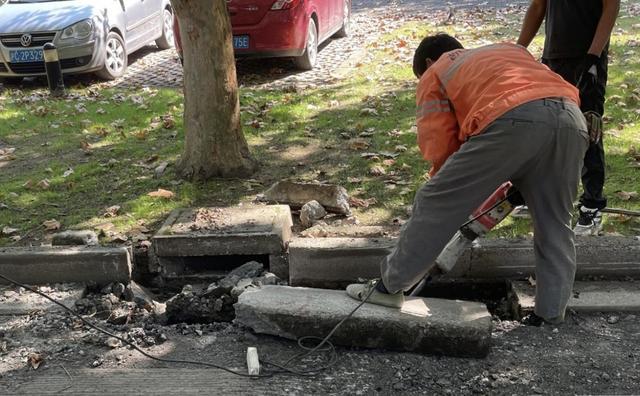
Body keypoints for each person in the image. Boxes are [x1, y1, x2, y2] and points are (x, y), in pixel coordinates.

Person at [346, 33, 589, 325]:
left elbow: (441, 145)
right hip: (572, 120)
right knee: (555, 223)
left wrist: (448, 194)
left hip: (514, 118)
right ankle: (549, 315)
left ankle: (388, 287)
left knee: (433, 200)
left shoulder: (437, 70)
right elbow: (535, 104)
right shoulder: (505, 50)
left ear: (427, 62)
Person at [517, 0, 620, 235]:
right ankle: (538, 196)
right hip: (554, 57)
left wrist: (594, 56)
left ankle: (592, 206)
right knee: (547, 124)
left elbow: (611, 6)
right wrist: (518, 48)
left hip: (587, 57)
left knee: (587, 129)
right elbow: (538, 6)